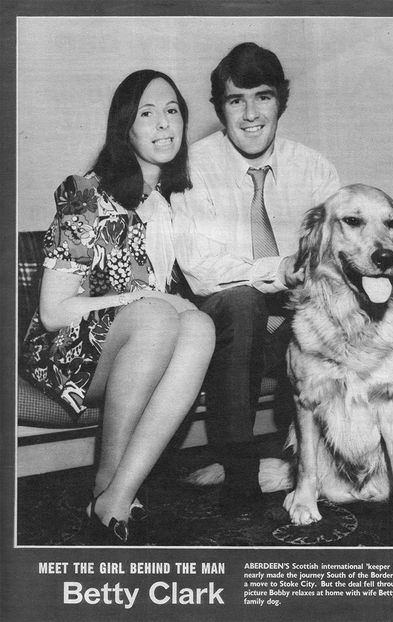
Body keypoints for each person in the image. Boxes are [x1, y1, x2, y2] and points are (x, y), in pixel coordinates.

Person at [171, 42, 393, 516]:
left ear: (280, 102)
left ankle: (377, 447)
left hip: (303, 318)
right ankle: (240, 472)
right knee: (242, 302)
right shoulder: (194, 168)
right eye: (236, 100)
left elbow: (344, 246)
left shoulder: (314, 167)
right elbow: (200, 270)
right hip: (229, 325)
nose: (251, 114)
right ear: (219, 108)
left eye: (263, 96)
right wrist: (279, 268)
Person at [21, 70, 215, 544]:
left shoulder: (171, 201)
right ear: (124, 127)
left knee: (200, 325)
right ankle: (106, 480)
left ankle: (117, 495)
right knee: (155, 316)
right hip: (65, 355)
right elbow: (52, 311)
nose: (164, 124)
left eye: (172, 111)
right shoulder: (86, 196)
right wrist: (136, 299)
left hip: (141, 343)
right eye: (147, 114)